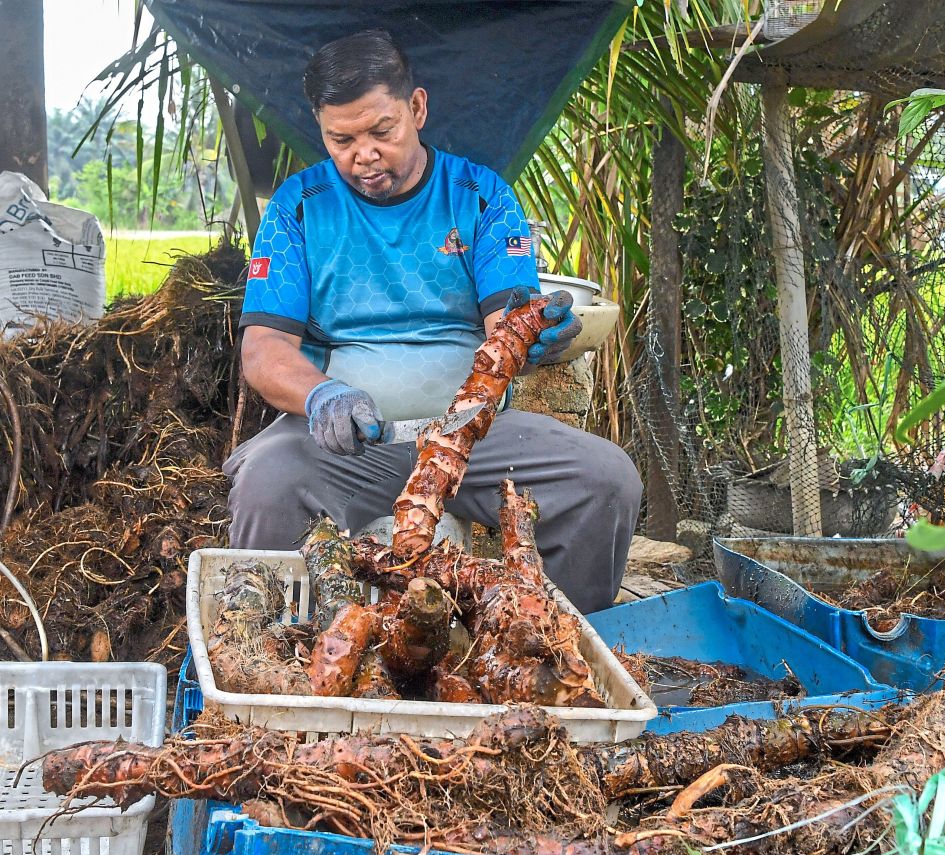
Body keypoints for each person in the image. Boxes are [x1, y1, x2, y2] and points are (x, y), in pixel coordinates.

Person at [224, 29, 642, 613]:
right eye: (340, 138)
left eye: (381, 131)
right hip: (348, 446)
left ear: (416, 108)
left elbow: (509, 319)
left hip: (473, 437)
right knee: (266, 483)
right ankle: (268, 674)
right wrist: (322, 396)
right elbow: (264, 351)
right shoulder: (297, 208)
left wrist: (534, 332)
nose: (362, 154)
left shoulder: (479, 196)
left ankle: (554, 654)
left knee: (605, 480)